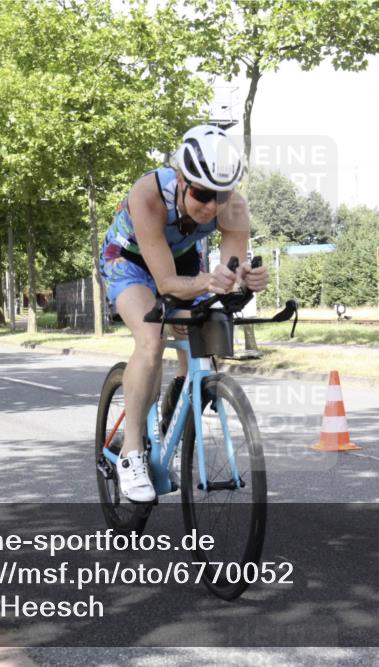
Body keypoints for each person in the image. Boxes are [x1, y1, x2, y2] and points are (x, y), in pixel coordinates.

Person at [99, 125, 269, 503]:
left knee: (200, 341)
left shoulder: (233, 206)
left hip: (182, 260)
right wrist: (209, 281)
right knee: (152, 338)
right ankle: (131, 453)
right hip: (128, 261)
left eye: (220, 195)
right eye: (202, 194)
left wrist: (245, 279)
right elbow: (166, 282)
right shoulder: (148, 195)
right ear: (180, 179)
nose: (211, 206)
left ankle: (170, 419)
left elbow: (229, 270)